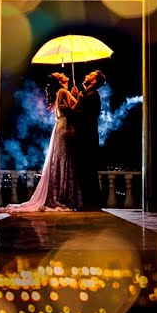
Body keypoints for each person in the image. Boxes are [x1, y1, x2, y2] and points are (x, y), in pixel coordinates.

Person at [0, 73, 83, 212]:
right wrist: (78, 98)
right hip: (65, 127)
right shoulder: (63, 91)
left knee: (62, 160)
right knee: (64, 160)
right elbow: (68, 110)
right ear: (60, 80)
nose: (63, 73)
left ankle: (62, 194)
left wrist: (73, 95)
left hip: (62, 127)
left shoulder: (62, 92)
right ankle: (62, 196)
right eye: (60, 74)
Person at [65, 70, 106, 211]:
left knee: (87, 172)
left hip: (86, 139)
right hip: (87, 138)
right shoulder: (88, 94)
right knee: (86, 172)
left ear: (94, 81)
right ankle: (91, 203)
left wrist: (67, 111)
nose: (87, 75)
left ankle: (91, 204)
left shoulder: (92, 95)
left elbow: (82, 116)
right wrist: (77, 97)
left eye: (91, 74)